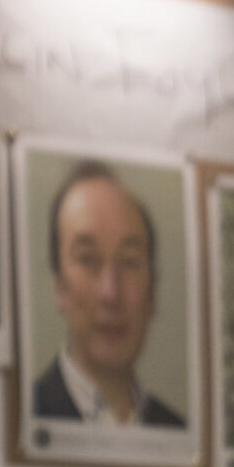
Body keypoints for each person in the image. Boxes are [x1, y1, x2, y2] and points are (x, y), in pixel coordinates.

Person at [31, 160, 187, 430]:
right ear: (59, 286)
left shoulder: (178, 432)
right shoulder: (23, 417)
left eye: (129, 262)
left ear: (152, 293)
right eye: (88, 259)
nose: (110, 293)